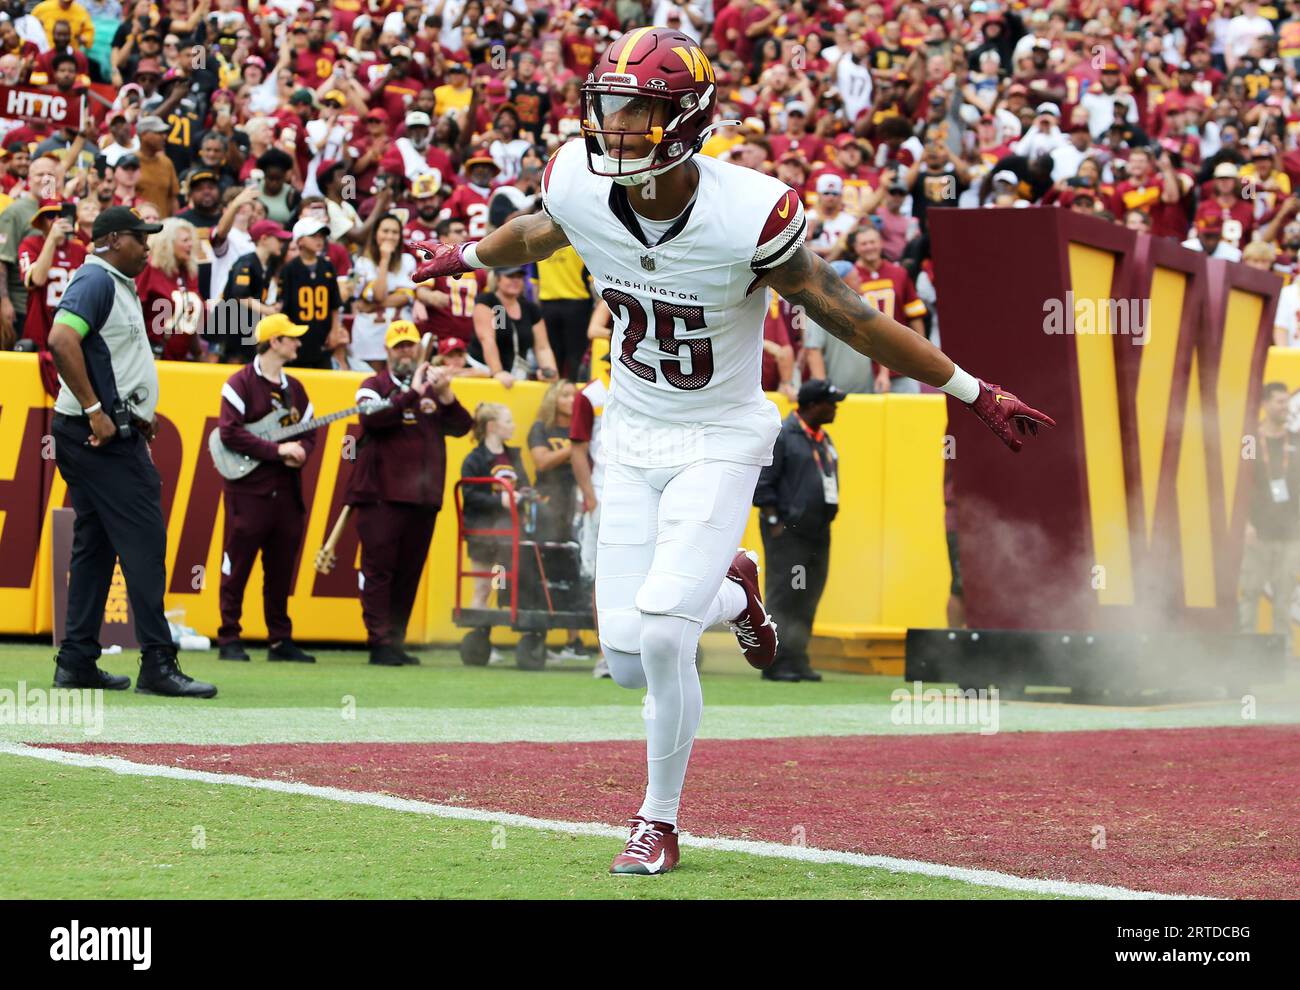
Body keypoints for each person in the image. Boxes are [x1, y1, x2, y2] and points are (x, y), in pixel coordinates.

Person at [410, 26, 1052, 876]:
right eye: (610, 109)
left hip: (718, 435)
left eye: (636, 113)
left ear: (682, 121)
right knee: (629, 660)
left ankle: (658, 820)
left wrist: (972, 389)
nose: (615, 129)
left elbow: (847, 312)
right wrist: (463, 251)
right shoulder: (578, 179)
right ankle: (735, 590)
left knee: (668, 637)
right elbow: (536, 233)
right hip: (631, 437)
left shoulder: (747, 211)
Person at [46, 206, 216, 698]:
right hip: (98, 436)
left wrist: (134, 412)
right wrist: (97, 409)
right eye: (140, 237)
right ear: (113, 238)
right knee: (144, 540)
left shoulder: (113, 281)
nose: (147, 246)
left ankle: (77, 658)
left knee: (95, 544)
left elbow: (110, 357)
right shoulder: (96, 280)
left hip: (103, 430)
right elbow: (60, 338)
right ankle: (158, 661)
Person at [346, 321, 474, 666]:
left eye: (409, 346)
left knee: (409, 571)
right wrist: (413, 393)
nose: (405, 351)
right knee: (379, 570)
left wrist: (446, 395)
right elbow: (372, 420)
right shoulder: (374, 385)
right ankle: (379, 641)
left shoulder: (432, 388)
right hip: (381, 494)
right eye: (399, 346)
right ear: (387, 351)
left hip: (423, 496)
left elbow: (463, 427)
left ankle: (396, 639)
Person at [214, 313, 319, 664]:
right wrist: (276, 451)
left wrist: (303, 450)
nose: (298, 343)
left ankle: (280, 639)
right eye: (291, 338)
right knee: (238, 564)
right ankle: (229, 635)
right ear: (274, 342)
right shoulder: (239, 382)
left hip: (287, 491)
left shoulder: (296, 388)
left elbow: (309, 432)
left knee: (281, 567)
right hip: (249, 491)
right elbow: (229, 432)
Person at [753, 380, 846, 683]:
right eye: (830, 403)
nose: (835, 409)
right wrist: (774, 522)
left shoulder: (823, 439)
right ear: (811, 405)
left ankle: (798, 657)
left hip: (818, 532)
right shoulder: (783, 435)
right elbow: (763, 483)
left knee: (808, 595)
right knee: (785, 595)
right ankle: (776, 661)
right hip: (789, 533)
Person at [1239, 382, 1300, 644]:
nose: (1285, 406)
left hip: (1289, 535)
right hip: (1258, 534)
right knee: (1250, 593)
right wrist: (1244, 523)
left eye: (1287, 401)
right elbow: (1241, 483)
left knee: (1284, 597)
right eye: (1279, 401)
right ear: (1264, 404)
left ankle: (1282, 658)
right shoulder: (1251, 441)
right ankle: (1245, 655)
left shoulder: (1296, 441)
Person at [470, 266, 558, 385]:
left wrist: (550, 372)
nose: (515, 280)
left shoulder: (530, 308)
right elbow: (487, 339)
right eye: (510, 276)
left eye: (519, 277)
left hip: (516, 375)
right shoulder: (487, 300)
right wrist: (498, 372)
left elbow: (543, 347)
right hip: (483, 371)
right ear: (497, 279)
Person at [350, 214, 417, 369]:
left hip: (401, 337)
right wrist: (384, 259)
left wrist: (373, 305)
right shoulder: (361, 263)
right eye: (385, 231)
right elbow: (379, 294)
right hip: (370, 336)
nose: (390, 236)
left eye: (395, 232)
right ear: (375, 234)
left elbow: (406, 297)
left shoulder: (408, 261)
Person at [279, 216, 344, 369]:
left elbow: (334, 303)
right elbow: (284, 308)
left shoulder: (327, 266)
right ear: (300, 240)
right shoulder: (290, 269)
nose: (319, 240)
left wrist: (335, 330)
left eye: (321, 236)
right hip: (298, 337)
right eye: (313, 236)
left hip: (322, 336)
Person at [137, 216, 204, 360]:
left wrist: (198, 353)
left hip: (180, 358)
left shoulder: (189, 272)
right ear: (167, 244)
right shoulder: (149, 269)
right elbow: (134, 311)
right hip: (152, 357)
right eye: (185, 240)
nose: (190, 245)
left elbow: (187, 319)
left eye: (191, 240)